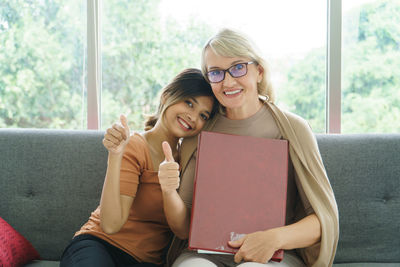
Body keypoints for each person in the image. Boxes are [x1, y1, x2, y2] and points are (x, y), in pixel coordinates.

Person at [163, 29, 339, 267]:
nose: (227, 82)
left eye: (238, 67)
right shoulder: (199, 132)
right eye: (216, 72)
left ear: (259, 71)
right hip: (202, 255)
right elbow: (183, 229)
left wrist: (274, 238)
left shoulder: (293, 129)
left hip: (273, 256)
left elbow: (323, 219)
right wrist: (167, 190)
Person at [60, 68, 218, 267]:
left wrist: (169, 189)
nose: (193, 117)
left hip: (145, 261)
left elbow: (183, 230)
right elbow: (110, 225)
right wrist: (115, 156)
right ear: (167, 96)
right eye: (189, 103)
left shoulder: (189, 160)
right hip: (99, 244)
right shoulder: (135, 145)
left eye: (203, 115)